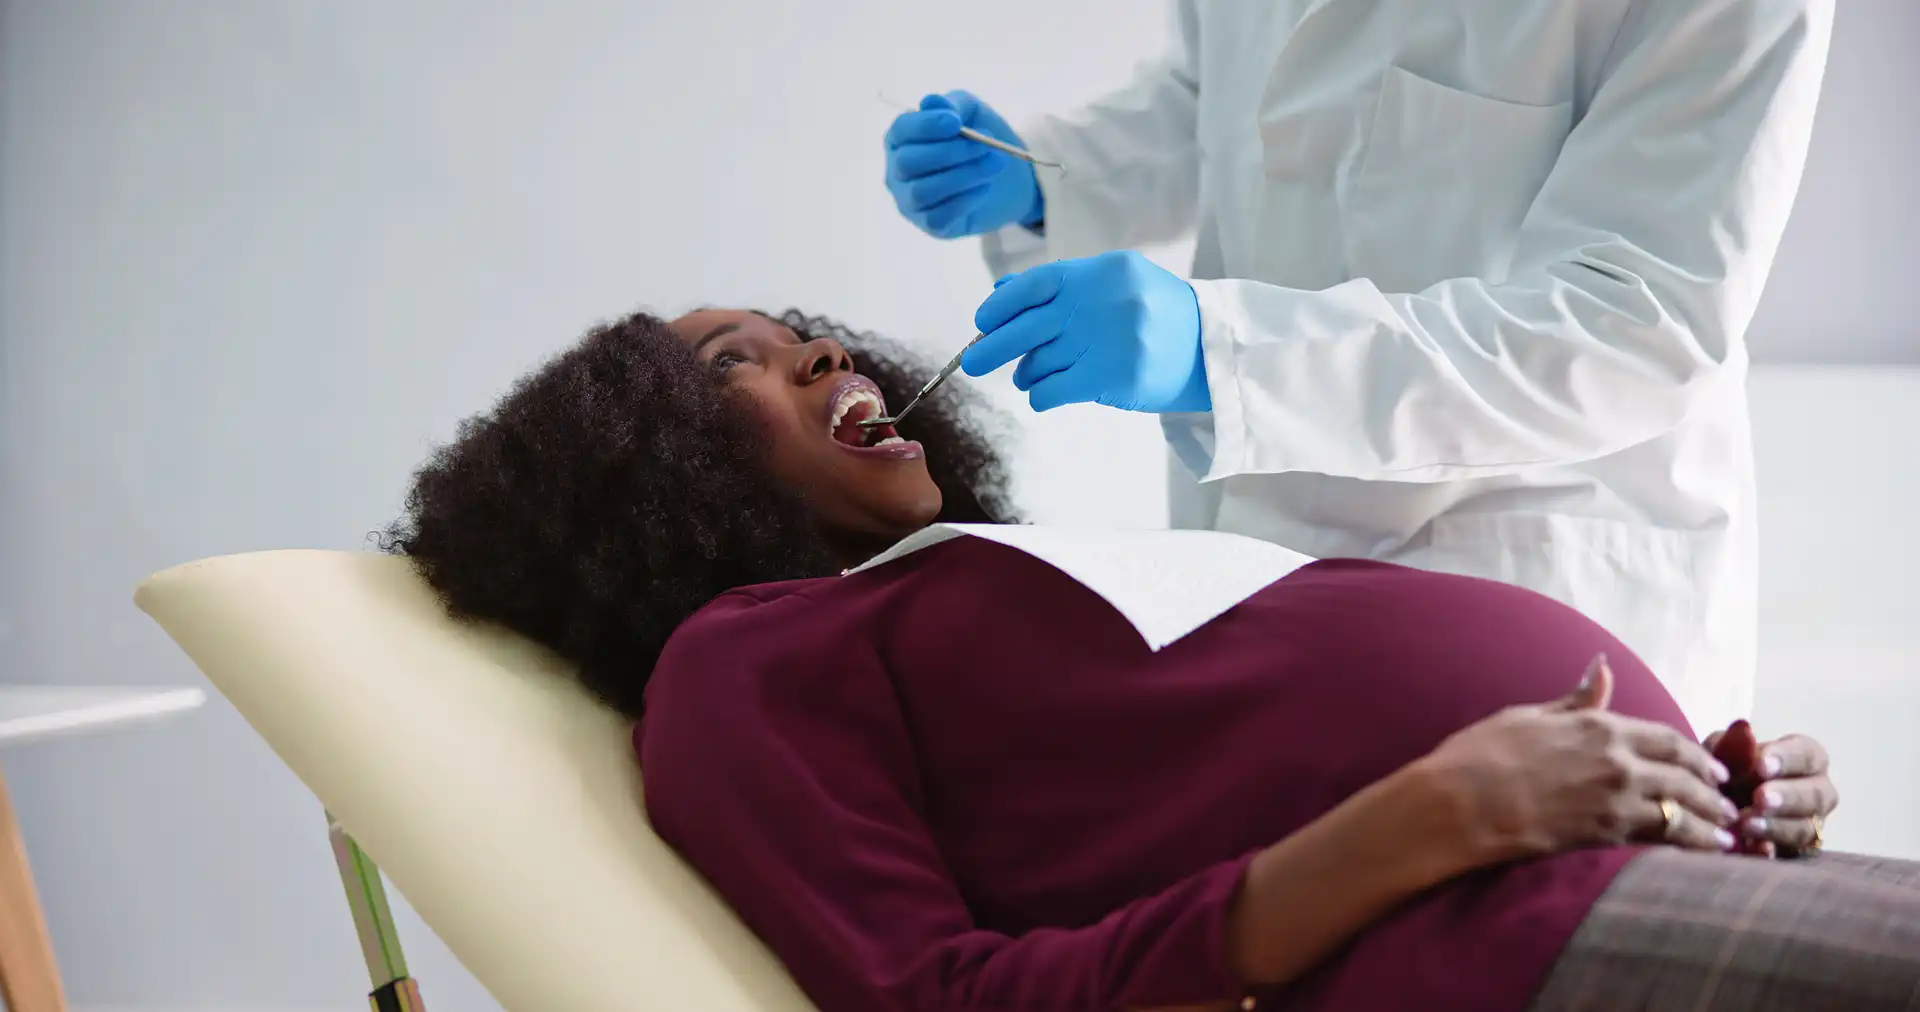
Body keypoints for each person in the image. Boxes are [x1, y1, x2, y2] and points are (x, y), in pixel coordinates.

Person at [383, 307, 1913, 1011]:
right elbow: (942, 1001)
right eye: (737, 367)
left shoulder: (981, 593)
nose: (824, 353)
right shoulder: (745, 661)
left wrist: (1713, 783)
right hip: (1495, 951)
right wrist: (1435, 816)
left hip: (1647, 872)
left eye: (807, 335)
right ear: (648, 475)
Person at [881, 1, 1836, 735]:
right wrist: (1048, 174)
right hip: (1251, 565)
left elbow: (1633, 320)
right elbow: (1222, 95)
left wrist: (1227, 355)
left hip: (1535, 568)